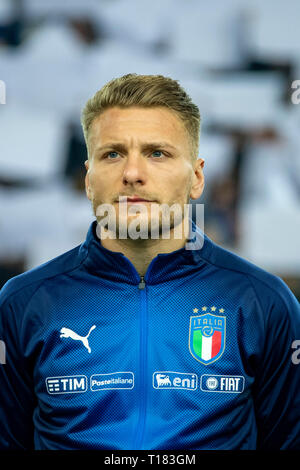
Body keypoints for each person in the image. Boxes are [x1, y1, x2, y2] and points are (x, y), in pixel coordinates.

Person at [0, 74, 299, 450]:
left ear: (196, 177)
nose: (132, 174)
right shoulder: (23, 303)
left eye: (157, 153)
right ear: (89, 179)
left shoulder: (264, 303)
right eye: (112, 154)